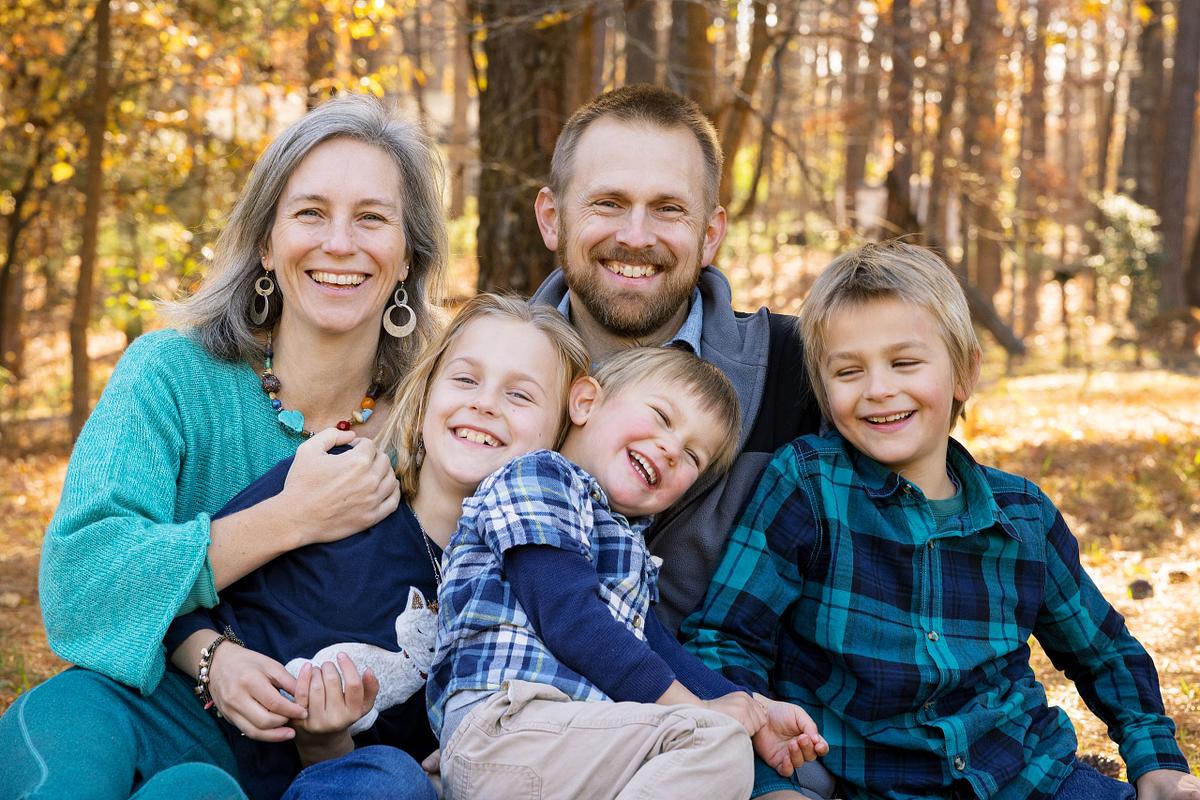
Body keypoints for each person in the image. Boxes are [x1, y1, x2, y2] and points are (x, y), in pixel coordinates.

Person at [0, 94, 446, 799]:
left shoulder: (441, 421)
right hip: (161, 716)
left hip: (325, 772)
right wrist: (286, 522)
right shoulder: (171, 376)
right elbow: (81, 579)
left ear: (408, 256)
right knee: (71, 721)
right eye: (310, 213)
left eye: (371, 218)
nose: (339, 242)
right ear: (267, 243)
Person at [681, 241, 1200, 800]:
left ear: (963, 373)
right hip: (875, 784)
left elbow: (1104, 651)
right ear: (823, 389)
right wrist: (764, 783)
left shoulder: (1022, 515)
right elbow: (727, 640)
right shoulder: (808, 485)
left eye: (905, 362)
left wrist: (1158, 764)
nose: (879, 389)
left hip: (1029, 776)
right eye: (849, 370)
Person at [164, 294, 590, 800]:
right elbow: (171, 591)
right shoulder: (338, 475)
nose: (485, 403)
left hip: (303, 783)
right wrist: (215, 659)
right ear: (427, 390)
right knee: (81, 707)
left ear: (560, 434)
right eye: (465, 379)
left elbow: (370, 773)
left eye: (520, 396)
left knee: (393, 775)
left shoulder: (507, 607)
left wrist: (324, 738)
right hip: (185, 722)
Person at [428, 347, 832, 800]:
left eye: (693, 456)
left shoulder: (624, 543)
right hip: (507, 723)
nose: (671, 449)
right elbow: (571, 619)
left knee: (721, 749)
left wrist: (756, 712)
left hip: (580, 737)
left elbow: (658, 651)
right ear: (585, 402)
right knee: (712, 743)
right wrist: (699, 711)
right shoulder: (540, 475)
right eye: (661, 416)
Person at [528, 84, 823, 633]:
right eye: (608, 203)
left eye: (668, 209)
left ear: (709, 235)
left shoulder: (799, 371)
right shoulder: (477, 378)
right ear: (552, 218)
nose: (636, 236)